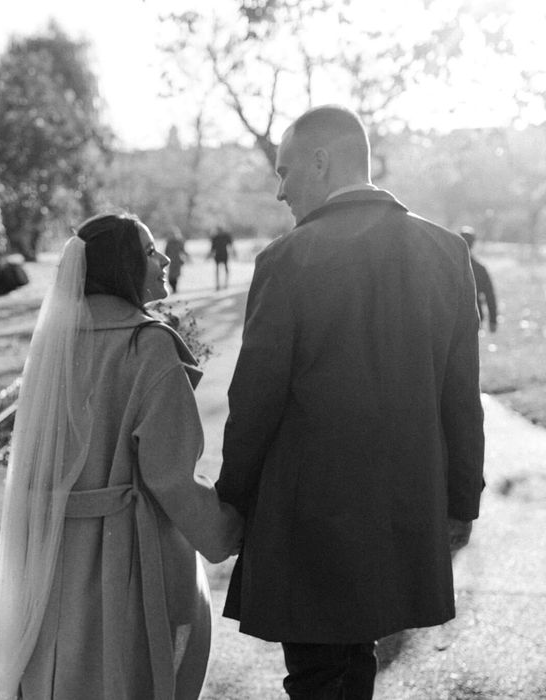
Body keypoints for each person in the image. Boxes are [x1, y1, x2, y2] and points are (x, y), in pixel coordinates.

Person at [216, 106, 485, 699]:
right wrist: (461, 501)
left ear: (321, 161)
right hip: (402, 507)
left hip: (308, 514)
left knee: (317, 675)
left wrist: (233, 498)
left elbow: (254, 400)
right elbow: (461, 398)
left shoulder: (286, 261)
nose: (280, 189)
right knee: (354, 664)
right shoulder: (445, 253)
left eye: (285, 172)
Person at [0, 212, 243, 700]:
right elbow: (171, 476)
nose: (167, 258)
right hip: (128, 549)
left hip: (51, 551)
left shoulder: (54, 346)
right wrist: (228, 530)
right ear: (121, 266)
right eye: (150, 251)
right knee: (129, 676)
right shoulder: (146, 344)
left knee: (63, 673)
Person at [460, 225, 498, 333]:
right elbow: (490, 295)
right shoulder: (480, 268)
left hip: (455, 315)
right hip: (475, 316)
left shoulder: (451, 266)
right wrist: (493, 320)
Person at [164, 227, 188, 293]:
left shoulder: (180, 242)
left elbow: (183, 251)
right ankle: (173, 288)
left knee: (176, 275)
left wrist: (187, 258)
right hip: (171, 260)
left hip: (178, 260)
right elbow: (166, 252)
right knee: (170, 276)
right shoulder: (169, 242)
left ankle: (175, 289)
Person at [209, 226, 234, 290]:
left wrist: (233, 252)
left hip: (223, 254)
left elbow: (230, 245)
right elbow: (212, 248)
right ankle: (218, 284)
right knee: (218, 270)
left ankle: (225, 284)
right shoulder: (216, 237)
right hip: (219, 255)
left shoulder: (225, 236)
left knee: (225, 269)